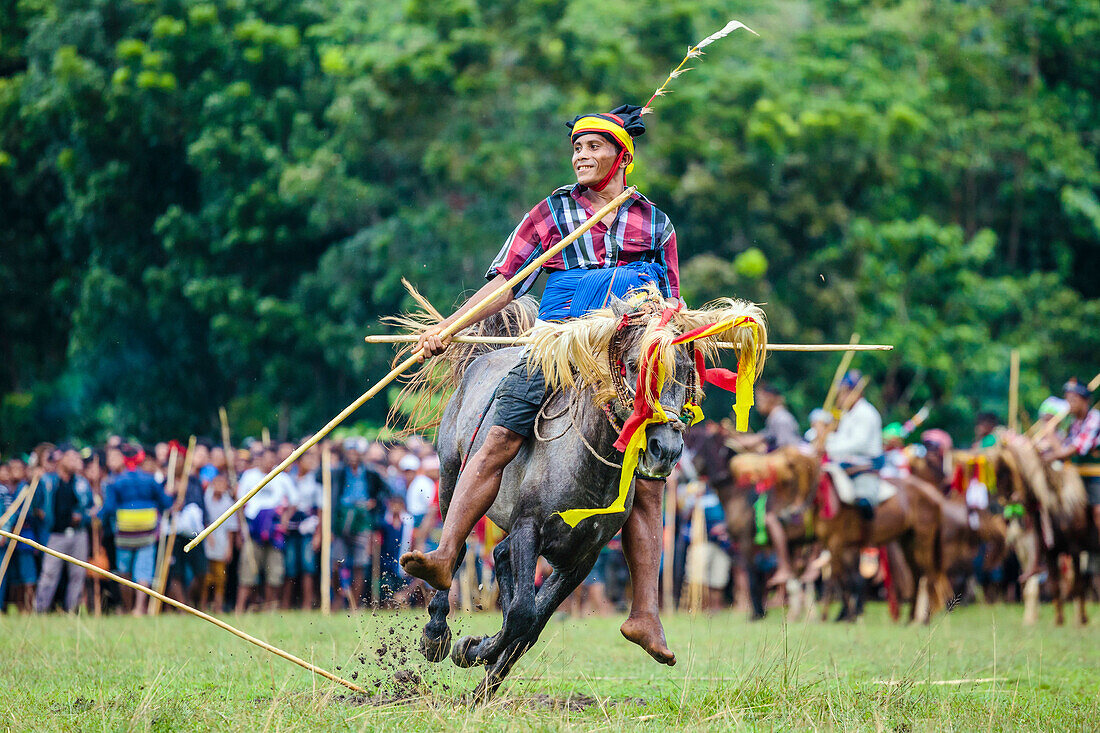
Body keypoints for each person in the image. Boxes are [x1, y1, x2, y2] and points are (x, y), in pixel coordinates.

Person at [401, 104, 681, 665]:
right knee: (499, 438)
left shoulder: (654, 222)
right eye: (576, 148)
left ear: (622, 155)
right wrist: (447, 330)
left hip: (626, 352)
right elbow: (507, 282)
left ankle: (645, 613)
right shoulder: (553, 211)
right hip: (557, 346)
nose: (581, 156)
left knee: (650, 477)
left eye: (594, 147)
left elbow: (672, 300)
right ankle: (446, 550)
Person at [99, 445, 174, 615]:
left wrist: (97, 515)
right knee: (144, 570)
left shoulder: (115, 481)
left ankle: (127, 606)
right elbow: (166, 503)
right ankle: (139, 608)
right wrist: (169, 494)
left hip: (125, 530)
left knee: (124, 571)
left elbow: (109, 508)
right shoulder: (150, 480)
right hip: (147, 529)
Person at [34, 446, 94, 613]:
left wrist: (83, 517)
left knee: (77, 574)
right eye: (72, 457)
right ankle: (40, 610)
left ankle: (72, 610)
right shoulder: (46, 481)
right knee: (49, 574)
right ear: (61, 459)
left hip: (78, 534)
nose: (77, 462)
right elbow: (35, 505)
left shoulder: (82, 483)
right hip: (55, 534)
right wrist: (42, 514)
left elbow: (91, 508)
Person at [235, 447, 294, 612]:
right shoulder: (249, 476)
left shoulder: (282, 477)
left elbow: (293, 501)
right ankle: (240, 609)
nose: (268, 462)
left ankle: (270, 608)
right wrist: (241, 530)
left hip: (274, 530)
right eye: (265, 458)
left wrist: (285, 519)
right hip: (253, 529)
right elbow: (239, 505)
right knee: (248, 570)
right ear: (259, 459)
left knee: (274, 572)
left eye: (271, 459)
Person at [1045, 380, 1100, 537]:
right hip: (1074, 476)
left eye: (1073, 400)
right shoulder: (1072, 423)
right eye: (1067, 400)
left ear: (1085, 401)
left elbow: (1069, 451)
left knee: (1098, 512)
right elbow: (1060, 449)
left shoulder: (1095, 419)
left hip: (1095, 477)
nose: (1069, 404)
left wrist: (1050, 433)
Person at [824, 371, 884, 513]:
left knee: (863, 500)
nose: (841, 396)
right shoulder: (848, 413)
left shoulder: (866, 412)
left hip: (866, 463)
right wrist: (825, 441)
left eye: (845, 392)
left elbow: (858, 443)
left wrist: (829, 448)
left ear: (857, 392)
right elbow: (841, 438)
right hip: (844, 460)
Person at [200, 473, 237, 612]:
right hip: (207, 541)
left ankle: (218, 606)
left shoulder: (228, 503)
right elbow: (203, 520)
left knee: (220, 577)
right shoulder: (206, 500)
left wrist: (230, 548)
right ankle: (203, 605)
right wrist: (207, 536)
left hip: (222, 542)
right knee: (206, 577)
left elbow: (231, 528)